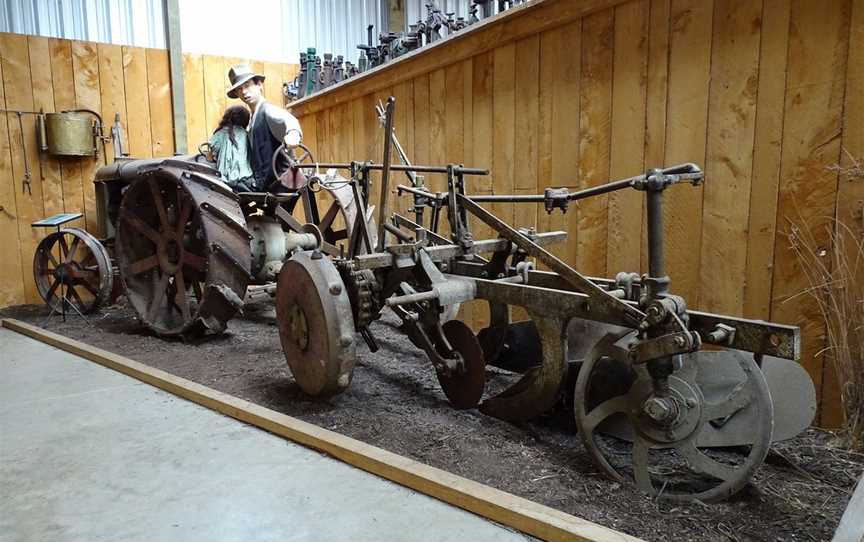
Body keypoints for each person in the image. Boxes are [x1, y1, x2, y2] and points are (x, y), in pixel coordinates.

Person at [226, 64, 303, 192]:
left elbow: (289, 120)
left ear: (259, 85)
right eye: (239, 89)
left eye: (247, 86)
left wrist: (293, 134)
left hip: (282, 181)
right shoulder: (252, 119)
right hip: (267, 183)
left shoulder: (268, 110)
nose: (244, 92)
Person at [208, 104, 256, 192]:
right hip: (246, 180)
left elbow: (209, 158)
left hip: (224, 180)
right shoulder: (247, 135)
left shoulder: (220, 134)